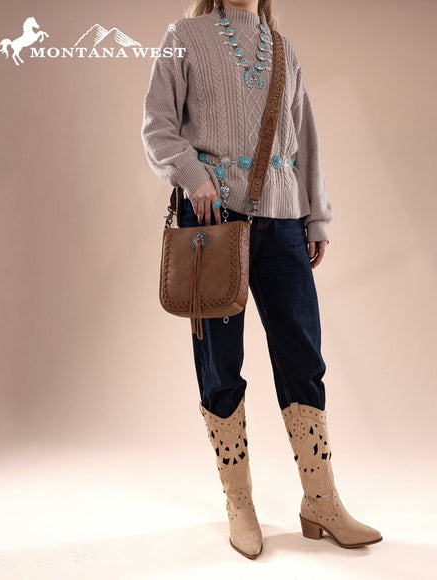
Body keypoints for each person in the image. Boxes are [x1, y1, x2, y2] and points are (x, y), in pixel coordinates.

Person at [141, 0, 383, 559]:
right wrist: (192, 174)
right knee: (220, 361)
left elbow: (305, 140)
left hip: (284, 222)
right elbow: (157, 125)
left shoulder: (283, 49)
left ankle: (321, 501)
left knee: (303, 356)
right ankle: (239, 503)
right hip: (211, 222)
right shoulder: (184, 35)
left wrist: (315, 217)